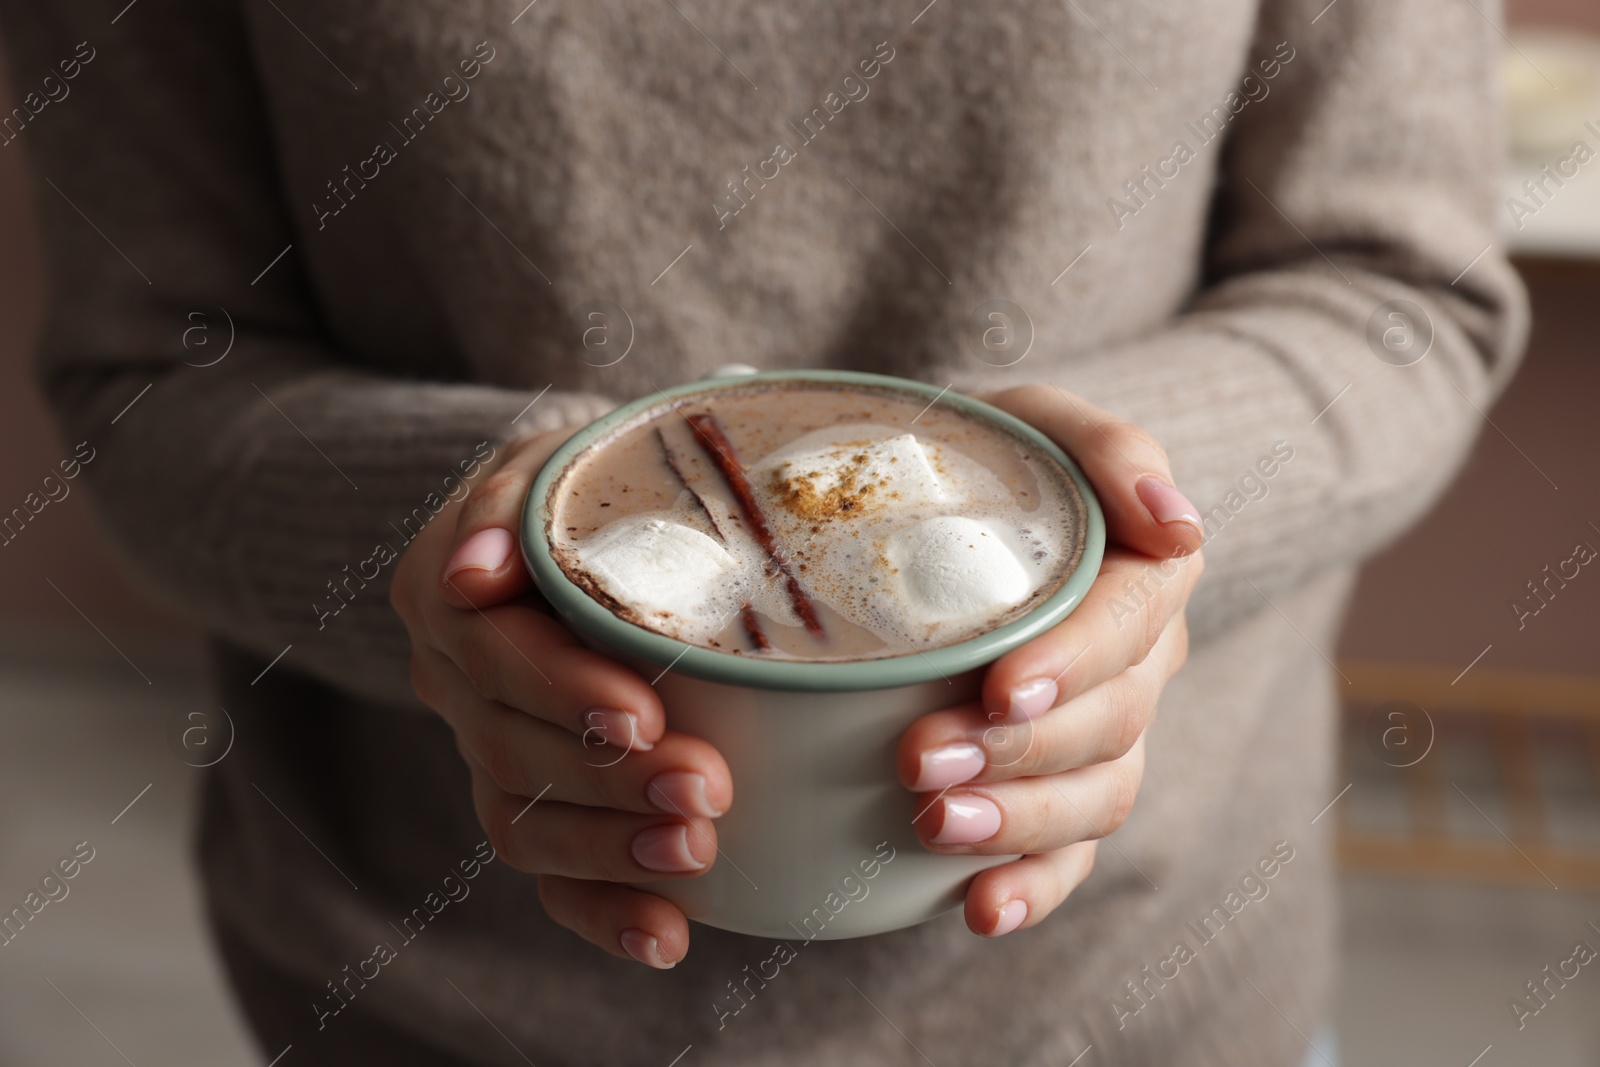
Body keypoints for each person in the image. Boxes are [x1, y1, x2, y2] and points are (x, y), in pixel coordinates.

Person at [2, 1, 1523, 1064]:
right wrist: (468, 530)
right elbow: (155, 369)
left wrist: (1116, 515)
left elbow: (1400, 287)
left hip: (1147, 988)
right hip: (434, 1000)